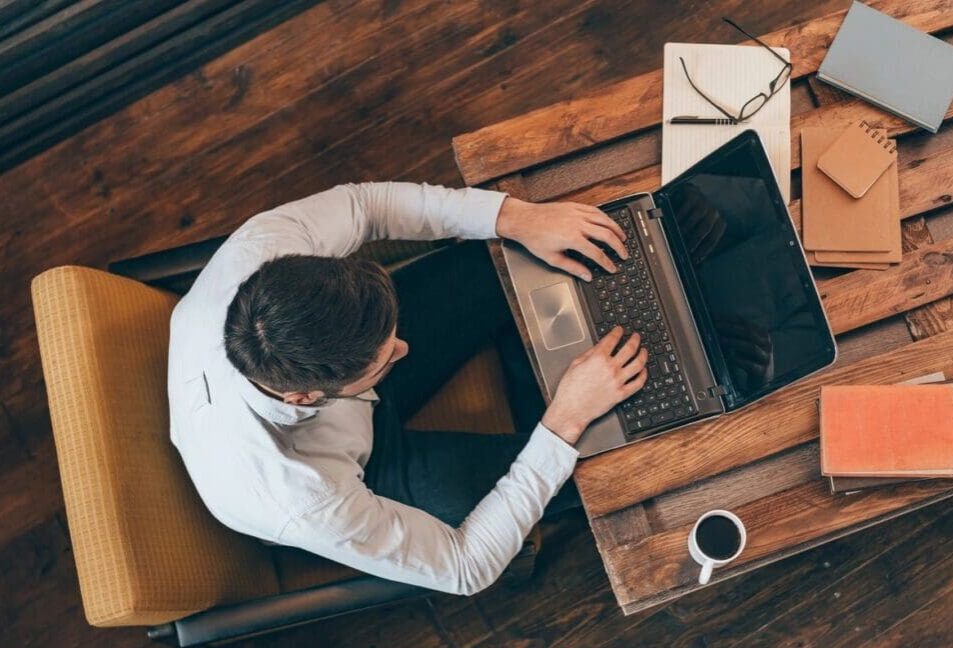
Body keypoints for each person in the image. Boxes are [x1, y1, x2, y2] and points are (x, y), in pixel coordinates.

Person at [168, 182, 648, 596]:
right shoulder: (306, 499)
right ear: (305, 397)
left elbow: (365, 205)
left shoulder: (264, 250)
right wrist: (564, 422)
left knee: (506, 254)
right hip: (364, 473)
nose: (404, 349)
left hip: (337, 373)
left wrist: (516, 217)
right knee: (601, 460)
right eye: (385, 359)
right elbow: (465, 567)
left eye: (391, 336)